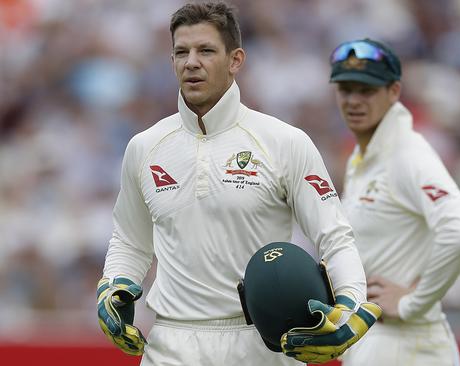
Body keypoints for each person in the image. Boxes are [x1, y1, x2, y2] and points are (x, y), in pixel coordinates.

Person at [96, 3, 380, 366]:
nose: (191, 62)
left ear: (236, 60)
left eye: (206, 51)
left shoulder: (284, 142)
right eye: (181, 52)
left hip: (261, 345)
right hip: (170, 344)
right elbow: (130, 241)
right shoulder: (144, 147)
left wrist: (350, 304)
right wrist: (113, 285)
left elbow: (335, 235)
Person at [328, 38, 460, 366]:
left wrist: (412, 301)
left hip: (405, 343)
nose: (353, 101)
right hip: (379, 341)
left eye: (366, 90)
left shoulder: (406, 155)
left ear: (394, 92)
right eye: (345, 89)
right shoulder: (364, 157)